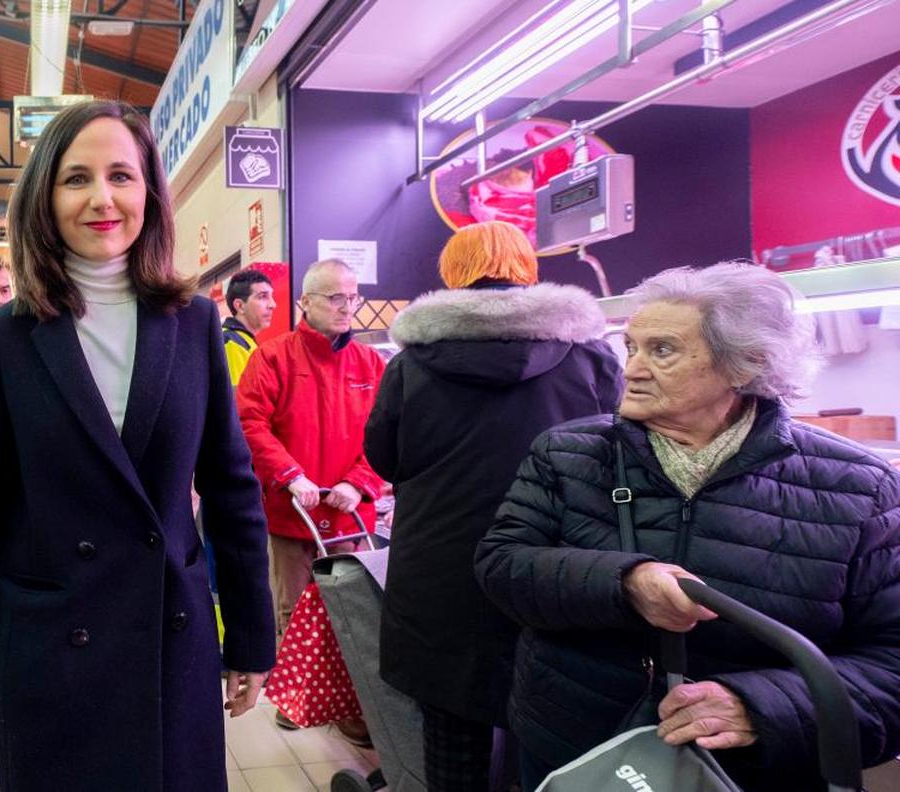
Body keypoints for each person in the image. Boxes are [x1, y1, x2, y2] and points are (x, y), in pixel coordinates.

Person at [0, 100, 275, 791]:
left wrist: (249, 636)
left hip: (169, 637)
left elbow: (232, 486)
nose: (102, 198)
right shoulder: (6, 335)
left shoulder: (194, 322)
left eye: (121, 175)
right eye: (76, 178)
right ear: (45, 196)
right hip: (51, 643)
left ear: (149, 190)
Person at [474, 262, 900, 792]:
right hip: (578, 748)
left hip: (747, 772)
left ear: (746, 365)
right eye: (630, 346)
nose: (630, 369)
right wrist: (624, 584)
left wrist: (766, 706)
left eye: (662, 350)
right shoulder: (568, 453)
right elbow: (502, 567)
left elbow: (890, 661)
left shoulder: (861, 489)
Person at [364, 221, 622, 791]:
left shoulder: (411, 364)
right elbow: (618, 456)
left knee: (453, 735)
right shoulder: (592, 359)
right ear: (525, 268)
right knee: (549, 735)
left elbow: (382, 456)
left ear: (452, 274)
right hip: (551, 565)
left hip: (440, 569)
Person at [236, 257, 384, 744]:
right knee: (294, 609)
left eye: (353, 296)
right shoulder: (273, 356)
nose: (347, 307)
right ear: (306, 302)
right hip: (291, 514)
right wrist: (289, 473)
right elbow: (250, 422)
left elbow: (386, 435)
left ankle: (350, 703)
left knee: (354, 612)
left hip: (351, 514)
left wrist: (360, 482)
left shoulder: (370, 363)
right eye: (335, 297)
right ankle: (296, 698)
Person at [222, 268, 275, 386]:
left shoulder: (245, 341)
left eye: (271, 296)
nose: (272, 304)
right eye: (263, 296)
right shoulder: (231, 343)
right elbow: (238, 401)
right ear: (240, 306)